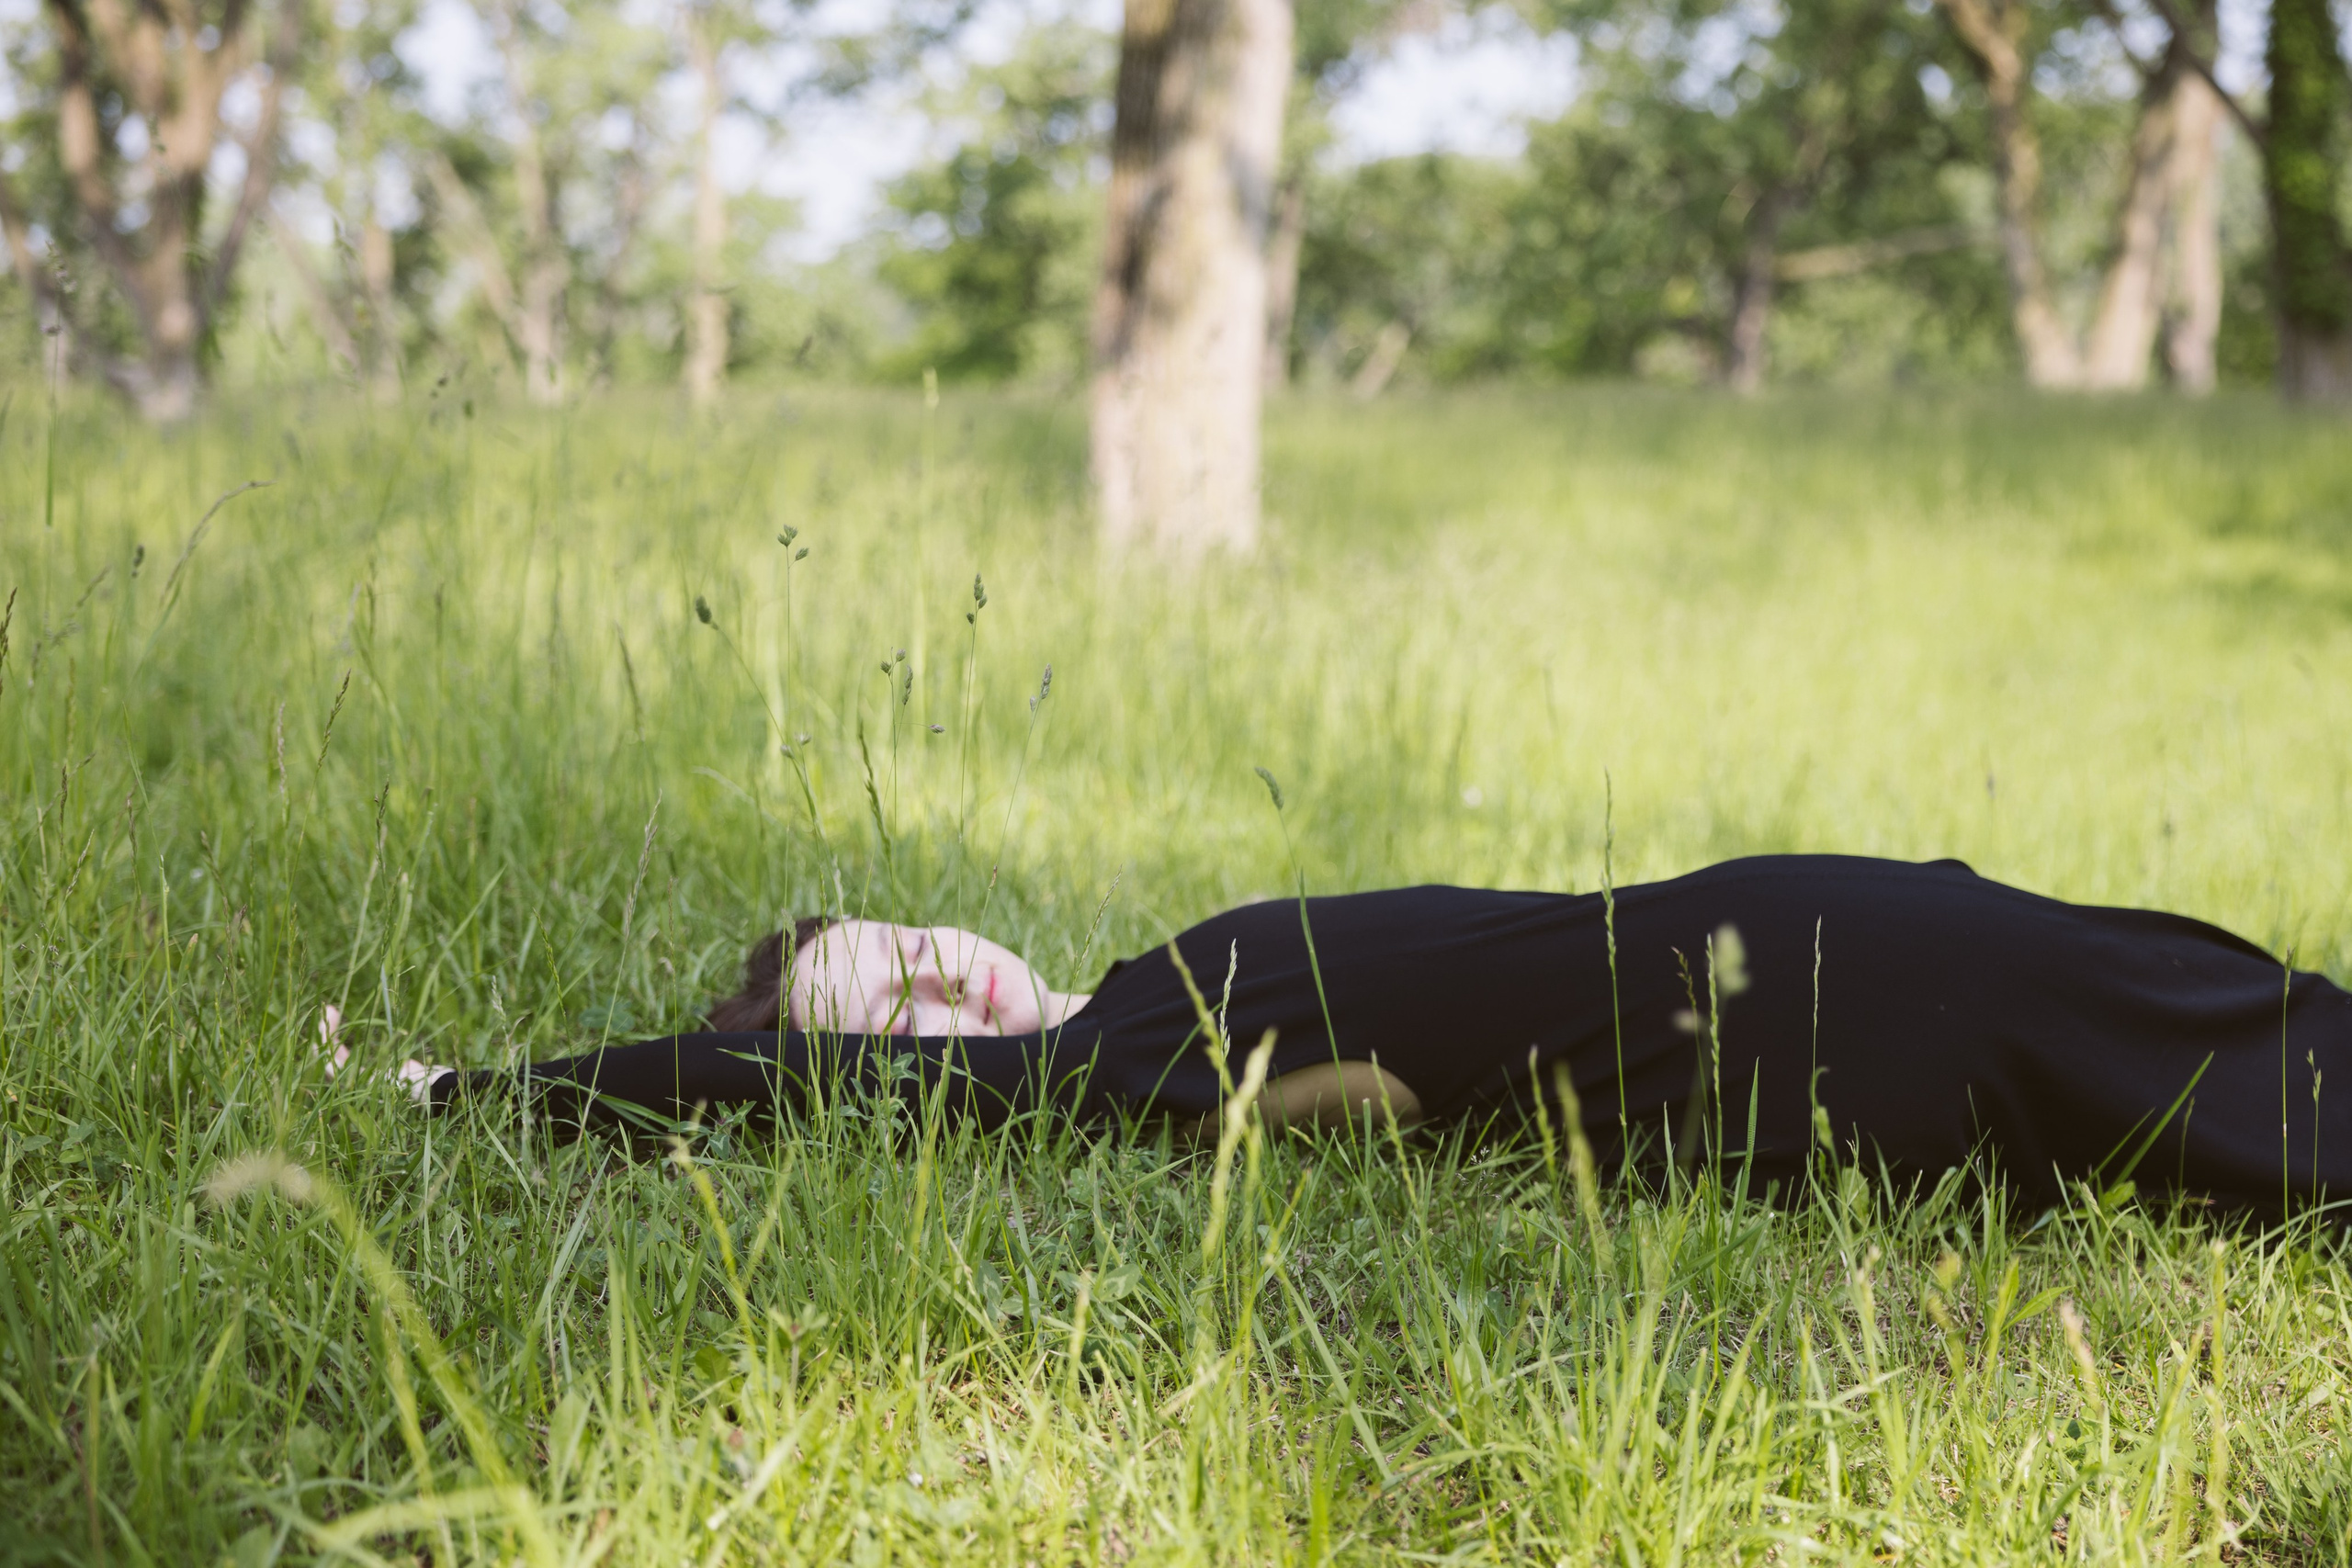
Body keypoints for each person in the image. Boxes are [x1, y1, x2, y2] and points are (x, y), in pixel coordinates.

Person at [334, 855, 2352, 1217]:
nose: (939, 985)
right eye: (887, 1012)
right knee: (2265, 1123)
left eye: (908, 942)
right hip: (1794, 1031)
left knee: (2273, 1041)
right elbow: (754, 1080)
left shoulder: (1160, 972)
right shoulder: (1120, 1061)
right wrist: (470, 1090)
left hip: (1848, 932)